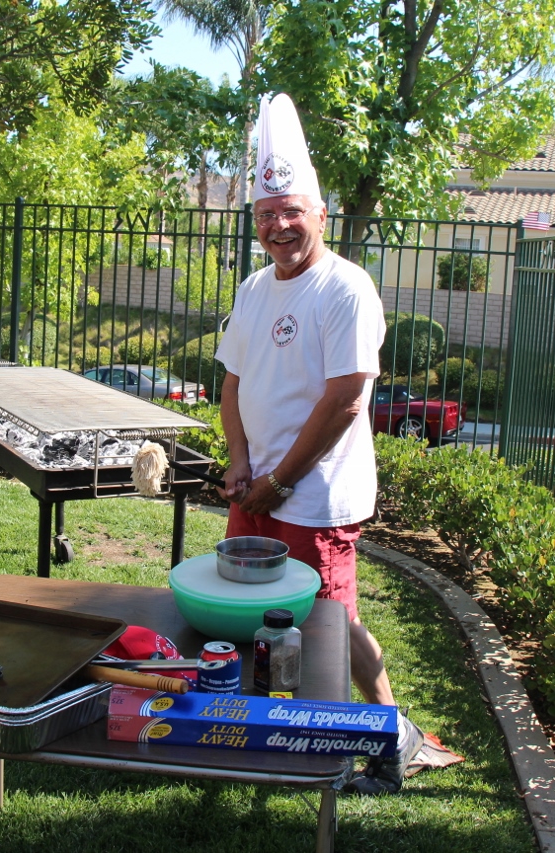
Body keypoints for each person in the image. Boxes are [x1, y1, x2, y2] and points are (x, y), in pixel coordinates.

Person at [213, 93, 424, 795]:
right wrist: (243, 462)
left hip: (318, 495)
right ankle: (307, 729)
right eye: (267, 214)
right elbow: (232, 384)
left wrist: (278, 481)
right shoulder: (253, 289)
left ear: (321, 214)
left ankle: (363, 745)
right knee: (275, 620)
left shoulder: (347, 289)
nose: (279, 225)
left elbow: (345, 400)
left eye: (291, 210)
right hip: (261, 488)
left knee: (325, 625)